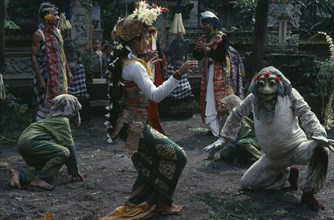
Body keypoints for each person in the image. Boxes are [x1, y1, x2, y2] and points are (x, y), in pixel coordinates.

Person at [101, 1, 198, 219]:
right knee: (178, 155)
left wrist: (151, 67)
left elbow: (141, 89)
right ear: (135, 39)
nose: (148, 41)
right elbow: (154, 95)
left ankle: (146, 201)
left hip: (130, 124)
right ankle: (161, 202)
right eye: (145, 37)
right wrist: (179, 74)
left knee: (146, 163)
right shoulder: (134, 65)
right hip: (133, 125)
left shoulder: (129, 61)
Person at [204, 66, 330, 212]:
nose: (266, 89)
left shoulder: (290, 95)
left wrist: (319, 133)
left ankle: (308, 194)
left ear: (280, 84)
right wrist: (223, 138)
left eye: (271, 83)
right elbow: (236, 114)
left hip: (297, 147)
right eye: (262, 84)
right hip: (273, 157)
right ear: (257, 86)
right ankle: (285, 175)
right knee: (247, 184)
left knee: (321, 149)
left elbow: (306, 114)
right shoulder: (253, 99)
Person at [9, 94, 85, 191]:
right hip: (31, 142)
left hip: (24, 143)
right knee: (63, 152)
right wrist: (74, 171)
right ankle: (41, 180)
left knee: (47, 168)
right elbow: (69, 145)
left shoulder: (52, 119)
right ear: (69, 107)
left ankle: (19, 176)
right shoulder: (62, 121)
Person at [193, 11, 245, 137]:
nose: (204, 26)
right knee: (209, 97)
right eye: (203, 23)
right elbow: (199, 56)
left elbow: (220, 56)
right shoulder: (204, 38)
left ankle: (223, 128)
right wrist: (198, 50)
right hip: (209, 72)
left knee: (220, 100)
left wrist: (206, 49)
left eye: (206, 23)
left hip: (220, 73)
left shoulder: (221, 37)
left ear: (212, 24)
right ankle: (212, 126)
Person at [31, 2, 73, 121]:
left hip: (59, 75)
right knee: (44, 103)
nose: (57, 17)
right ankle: (43, 128)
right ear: (46, 16)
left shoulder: (58, 32)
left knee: (60, 100)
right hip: (45, 75)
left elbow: (62, 54)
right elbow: (33, 57)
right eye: (54, 15)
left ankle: (57, 126)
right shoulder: (39, 35)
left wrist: (68, 71)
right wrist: (40, 79)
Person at [205, 95, 261, 166]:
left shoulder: (239, 119)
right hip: (238, 144)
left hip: (252, 140)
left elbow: (243, 136)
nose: (219, 108)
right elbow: (223, 139)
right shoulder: (225, 119)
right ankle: (246, 158)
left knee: (242, 143)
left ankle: (261, 159)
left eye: (222, 106)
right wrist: (211, 154)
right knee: (224, 154)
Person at [143, 26, 167, 134]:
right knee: (137, 122)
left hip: (141, 99)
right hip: (135, 103)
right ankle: (132, 148)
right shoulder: (134, 64)